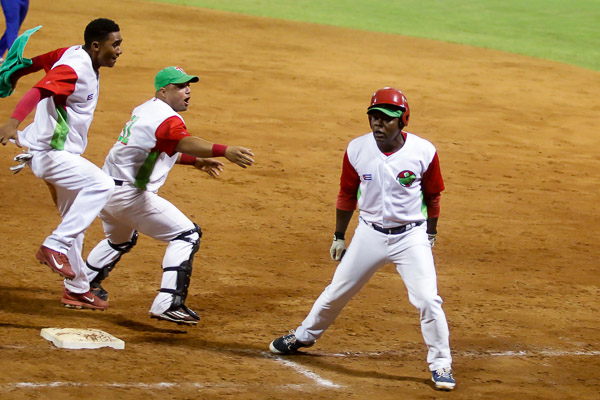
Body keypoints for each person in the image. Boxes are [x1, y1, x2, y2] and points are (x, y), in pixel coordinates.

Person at [269, 87, 456, 391]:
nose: (378, 124)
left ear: (403, 120)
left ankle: (441, 364)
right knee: (337, 291)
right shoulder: (357, 149)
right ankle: (303, 336)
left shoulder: (424, 151)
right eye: (374, 117)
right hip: (369, 234)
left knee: (427, 300)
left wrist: (430, 233)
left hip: (410, 236)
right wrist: (339, 236)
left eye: (387, 118)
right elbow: (346, 194)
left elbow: (433, 196)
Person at [73, 66, 255, 325]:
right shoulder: (166, 119)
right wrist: (223, 150)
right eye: (180, 87)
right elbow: (183, 142)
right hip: (130, 196)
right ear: (163, 91)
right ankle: (168, 303)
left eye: (188, 86)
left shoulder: (145, 109)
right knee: (187, 235)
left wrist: (195, 162)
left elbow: (157, 148)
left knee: (119, 240)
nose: (187, 91)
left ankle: (82, 285)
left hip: (106, 191)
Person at [0, 18, 123, 310]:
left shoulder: (72, 53)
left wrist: (16, 71)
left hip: (60, 154)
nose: (119, 50)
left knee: (74, 218)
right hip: (51, 154)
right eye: (115, 44)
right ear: (96, 46)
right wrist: (13, 122)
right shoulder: (75, 68)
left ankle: (77, 288)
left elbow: (42, 60)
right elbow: (38, 91)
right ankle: (53, 246)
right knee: (102, 184)